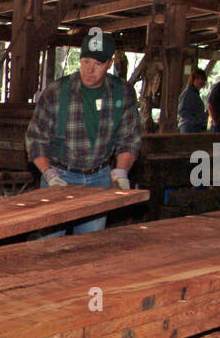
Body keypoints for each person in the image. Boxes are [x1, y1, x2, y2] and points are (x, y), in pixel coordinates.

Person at [25, 31, 141, 234]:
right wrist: (48, 173)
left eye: (98, 64)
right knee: (48, 247)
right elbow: (35, 138)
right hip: (59, 176)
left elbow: (129, 138)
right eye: (86, 61)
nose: (89, 70)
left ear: (110, 63)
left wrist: (121, 170)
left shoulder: (122, 93)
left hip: (99, 178)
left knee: (88, 247)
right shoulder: (56, 92)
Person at [178, 67, 208, 133]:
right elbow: (182, 111)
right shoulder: (188, 93)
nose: (201, 81)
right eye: (198, 78)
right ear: (192, 79)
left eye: (202, 79)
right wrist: (195, 120)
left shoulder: (195, 94)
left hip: (195, 127)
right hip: (189, 127)